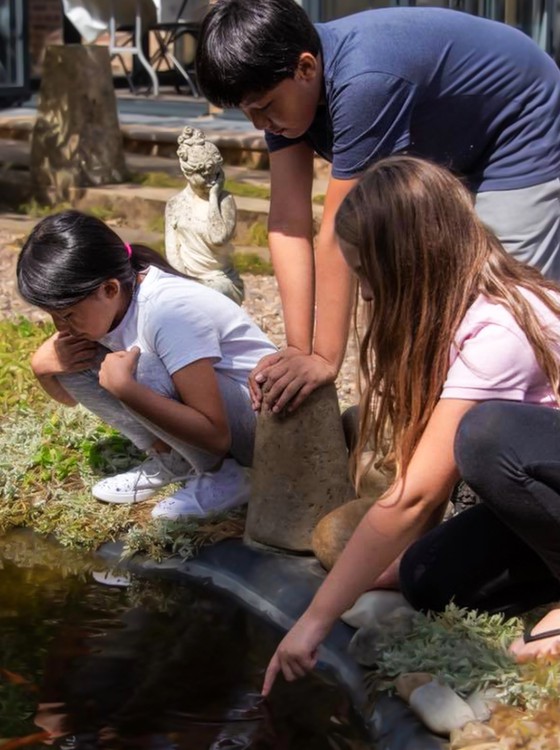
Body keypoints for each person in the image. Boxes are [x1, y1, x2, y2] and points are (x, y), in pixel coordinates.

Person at [261, 156, 560, 695]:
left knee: (487, 436)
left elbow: (415, 497)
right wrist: (374, 565)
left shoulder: (501, 331)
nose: (367, 297)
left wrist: (313, 621)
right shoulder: (462, 311)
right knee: (426, 577)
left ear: (410, 265)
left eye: (369, 279)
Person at [195, 0, 560, 415]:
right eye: (247, 113)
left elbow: (340, 227)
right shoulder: (286, 92)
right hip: (446, 136)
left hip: (518, 119)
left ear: (306, 68)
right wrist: (298, 349)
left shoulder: (364, 81)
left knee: (507, 300)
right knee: (438, 285)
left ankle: (528, 428)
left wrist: (324, 360)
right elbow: (287, 223)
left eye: (263, 108)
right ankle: (441, 413)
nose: (259, 125)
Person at [17, 210, 276, 519]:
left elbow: (216, 435)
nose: (60, 326)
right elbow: (69, 397)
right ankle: (175, 458)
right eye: (54, 315)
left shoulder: (166, 314)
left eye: (67, 314)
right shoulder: (114, 303)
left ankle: (226, 477)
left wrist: (126, 389)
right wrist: (41, 368)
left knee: (141, 369)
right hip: (229, 419)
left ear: (109, 289)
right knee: (75, 359)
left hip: (266, 428)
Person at [165, 126, 245, 305]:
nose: (212, 181)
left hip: (220, 280)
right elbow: (172, 252)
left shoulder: (225, 200)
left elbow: (218, 238)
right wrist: (185, 281)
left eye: (215, 174)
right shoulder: (175, 204)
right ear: (188, 173)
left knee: (209, 295)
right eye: (204, 176)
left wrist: (214, 197)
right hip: (186, 277)